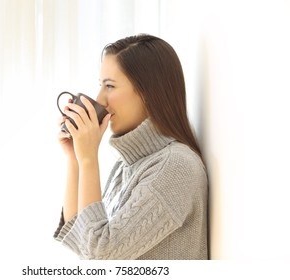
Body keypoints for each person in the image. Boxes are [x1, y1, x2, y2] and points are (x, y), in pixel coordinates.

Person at [53, 34, 208, 260]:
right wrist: (75, 159)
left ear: (148, 93)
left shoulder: (176, 167)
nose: (100, 99)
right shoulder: (127, 165)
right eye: (100, 85)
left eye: (109, 86)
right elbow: (82, 239)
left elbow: (100, 256)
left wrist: (89, 160)